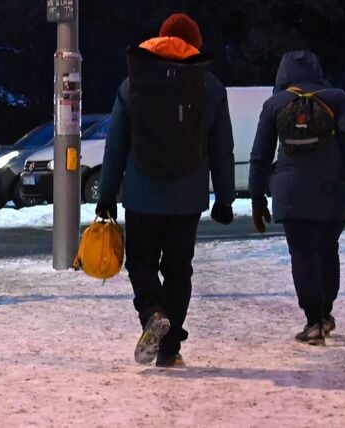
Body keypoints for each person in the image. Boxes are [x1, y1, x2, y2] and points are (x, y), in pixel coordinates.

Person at [96, 13, 236, 368]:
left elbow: (116, 145)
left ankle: (153, 313)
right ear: (195, 44)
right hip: (187, 197)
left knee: (141, 263)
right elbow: (222, 148)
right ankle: (170, 349)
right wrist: (224, 197)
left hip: (142, 195)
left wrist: (107, 194)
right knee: (178, 269)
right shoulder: (211, 87)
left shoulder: (133, 84)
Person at [248, 50, 345, 345]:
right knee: (328, 249)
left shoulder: (274, 104)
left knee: (302, 255)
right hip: (334, 190)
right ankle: (326, 314)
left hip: (291, 192)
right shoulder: (338, 99)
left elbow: (260, 155)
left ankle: (313, 320)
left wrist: (256, 198)